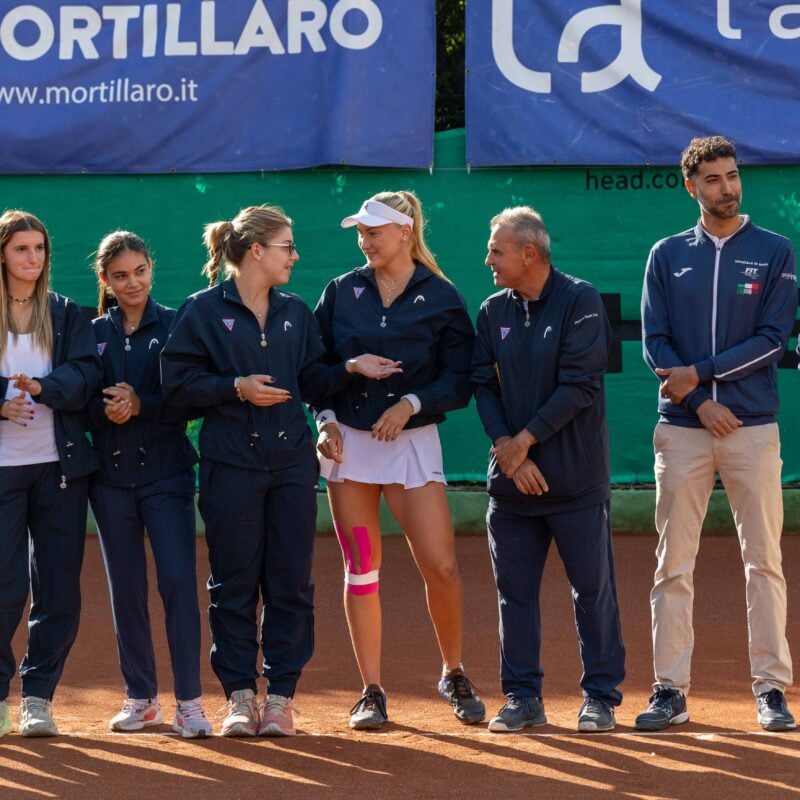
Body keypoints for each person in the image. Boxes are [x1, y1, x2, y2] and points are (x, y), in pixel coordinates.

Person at [160, 205, 395, 737]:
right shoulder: (201, 311)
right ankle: (240, 697)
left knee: (290, 583)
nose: (295, 256)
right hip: (229, 467)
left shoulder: (295, 312)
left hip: (291, 466)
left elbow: (311, 381)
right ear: (256, 251)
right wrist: (233, 388)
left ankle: (281, 698)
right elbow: (175, 388)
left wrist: (349, 369)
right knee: (234, 583)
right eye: (287, 247)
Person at [638, 135, 797, 732]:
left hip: (751, 428)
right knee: (673, 564)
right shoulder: (665, 254)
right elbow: (654, 343)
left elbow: (773, 340)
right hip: (683, 429)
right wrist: (702, 404)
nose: (727, 188)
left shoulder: (775, 250)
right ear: (691, 187)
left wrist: (701, 375)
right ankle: (669, 690)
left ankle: (771, 688)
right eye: (713, 179)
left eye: (732, 176)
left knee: (764, 561)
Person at [314, 190, 485, 730]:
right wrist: (325, 417)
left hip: (412, 443)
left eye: (374, 232)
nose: (365, 242)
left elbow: (460, 378)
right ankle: (371, 689)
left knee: (441, 565)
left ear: (405, 233)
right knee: (362, 568)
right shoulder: (340, 292)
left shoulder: (442, 296)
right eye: (361, 234)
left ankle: (453, 671)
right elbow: (312, 368)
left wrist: (411, 403)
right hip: (348, 447)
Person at [472, 205, 625, 733]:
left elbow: (580, 385)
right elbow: (483, 384)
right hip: (512, 486)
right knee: (514, 596)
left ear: (528, 253)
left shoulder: (581, 300)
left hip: (576, 484)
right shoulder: (491, 311)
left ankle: (600, 697)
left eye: (496, 251)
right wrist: (507, 449)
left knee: (593, 593)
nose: (488, 260)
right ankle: (522, 696)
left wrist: (524, 442)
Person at [88, 231, 211, 738]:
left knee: (178, 583)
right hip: (109, 481)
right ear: (106, 280)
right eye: (120, 276)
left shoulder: (178, 322)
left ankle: (190, 703)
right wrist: (105, 409)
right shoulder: (91, 332)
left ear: (150, 268)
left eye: (139, 271)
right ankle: (141, 699)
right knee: (127, 591)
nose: (132, 282)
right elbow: (77, 398)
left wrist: (142, 405)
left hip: (168, 477)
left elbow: (191, 399)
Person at [0, 210, 101, 737]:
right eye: (22, 248)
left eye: (39, 248)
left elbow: (86, 373)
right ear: (2, 254)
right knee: (5, 587)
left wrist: (45, 388)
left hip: (59, 469)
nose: (33, 258)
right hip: (3, 470)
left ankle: (37, 697)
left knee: (59, 591)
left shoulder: (64, 312)